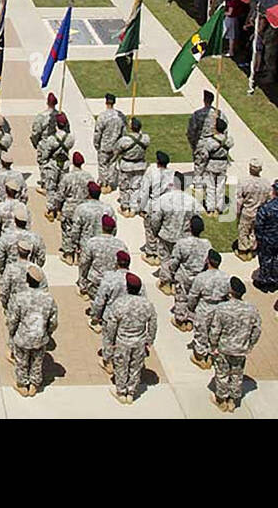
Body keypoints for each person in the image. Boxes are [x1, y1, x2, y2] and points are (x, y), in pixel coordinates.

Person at [207, 276, 260, 411]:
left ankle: (221, 399)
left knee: (222, 374)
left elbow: (215, 330)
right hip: (241, 349)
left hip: (224, 348)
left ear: (230, 292)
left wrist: (213, 346)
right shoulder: (251, 309)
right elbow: (257, 330)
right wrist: (249, 345)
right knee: (237, 374)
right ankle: (233, 400)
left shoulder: (222, 308)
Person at [103, 273, 157, 404]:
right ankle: (131, 392)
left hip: (123, 341)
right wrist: (150, 340)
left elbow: (112, 325)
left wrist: (110, 342)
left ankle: (121, 392)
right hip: (139, 341)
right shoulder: (147, 304)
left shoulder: (119, 303)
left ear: (127, 287)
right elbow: (153, 323)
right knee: (135, 367)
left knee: (121, 366)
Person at [5, 264, 57, 397]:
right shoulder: (49, 299)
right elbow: (53, 322)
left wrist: (12, 333)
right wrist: (48, 333)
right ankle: (34, 385)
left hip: (23, 337)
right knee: (37, 362)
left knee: (21, 362)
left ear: (27, 280)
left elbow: (13, 319)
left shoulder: (20, 298)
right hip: (40, 337)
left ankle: (22, 385)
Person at [187, 250, 231, 368]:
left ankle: (201, 357)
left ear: (207, 261)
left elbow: (193, 295)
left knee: (201, 332)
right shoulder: (226, 277)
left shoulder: (201, 277)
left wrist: (190, 308)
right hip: (220, 307)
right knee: (216, 331)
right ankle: (213, 353)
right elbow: (229, 295)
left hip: (205, 307)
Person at [152, 172, 196, 267]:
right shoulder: (191, 201)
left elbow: (155, 220)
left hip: (166, 237)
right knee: (181, 262)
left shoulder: (163, 199)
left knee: (165, 261)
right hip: (184, 238)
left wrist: (155, 233)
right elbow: (197, 221)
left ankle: (166, 281)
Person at [234, 160, 273, 260]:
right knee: (254, 232)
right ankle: (252, 249)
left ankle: (243, 251)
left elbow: (239, 199)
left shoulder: (244, 182)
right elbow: (269, 200)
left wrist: (237, 212)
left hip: (247, 211)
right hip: (259, 213)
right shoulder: (266, 183)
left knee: (243, 231)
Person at [77, 213, 124, 298]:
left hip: (95, 284)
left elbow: (84, 264)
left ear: (102, 227)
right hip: (113, 285)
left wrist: (82, 284)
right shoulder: (121, 245)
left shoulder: (92, 242)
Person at [198, 116, 233, 214]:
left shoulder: (211, 141)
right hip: (223, 165)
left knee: (210, 186)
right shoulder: (228, 140)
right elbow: (230, 144)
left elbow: (204, 154)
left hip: (212, 165)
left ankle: (210, 207)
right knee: (220, 186)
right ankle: (220, 206)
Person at [115, 117, 150, 215]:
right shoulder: (145, 138)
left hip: (126, 165)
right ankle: (134, 208)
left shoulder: (125, 140)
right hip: (140, 165)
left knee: (124, 187)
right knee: (136, 187)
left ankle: (125, 207)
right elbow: (145, 141)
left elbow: (116, 150)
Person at [92, 93, 125, 192]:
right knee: (112, 165)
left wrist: (96, 144)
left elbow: (98, 132)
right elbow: (124, 132)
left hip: (104, 146)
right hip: (116, 145)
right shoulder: (121, 116)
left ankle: (103, 184)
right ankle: (110, 184)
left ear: (106, 102)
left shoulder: (102, 116)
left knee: (103, 165)